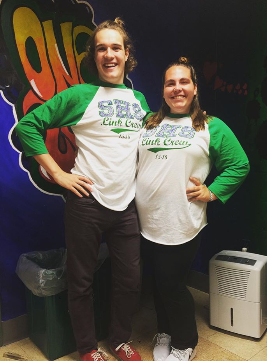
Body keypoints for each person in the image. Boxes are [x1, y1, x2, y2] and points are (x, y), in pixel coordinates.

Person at [16, 18, 151, 361]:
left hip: (126, 207)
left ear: (126, 53)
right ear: (94, 55)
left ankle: (120, 340)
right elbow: (28, 126)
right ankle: (88, 349)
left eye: (115, 47)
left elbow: (153, 144)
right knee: (81, 282)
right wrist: (59, 174)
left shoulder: (138, 99)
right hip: (86, 204)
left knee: (130, 280)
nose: (109, 54)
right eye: (101, 48)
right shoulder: (80, 95)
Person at [135, 57, 250, 361]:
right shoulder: (149, 122)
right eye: (170, 83)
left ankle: (185, 343)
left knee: (172, 285)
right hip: (146, 223)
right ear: (163, 90)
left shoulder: (211, 126)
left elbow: (240, 164)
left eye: (184, 82)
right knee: (157, 282)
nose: (177, 88)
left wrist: (211, 192)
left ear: (195, 87)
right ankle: (165, 330)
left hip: (182, 223)